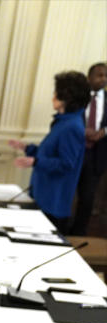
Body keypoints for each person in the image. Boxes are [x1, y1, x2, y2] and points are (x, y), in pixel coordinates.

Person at [9, 71, 90, 235]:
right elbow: (51, 153)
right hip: (43, 195)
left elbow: (66, 164)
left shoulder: (72, 126)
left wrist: (35, 162)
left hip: (53, 203)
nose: (53, 96)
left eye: (57, 92)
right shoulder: (63, 121)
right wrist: (27, 148)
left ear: (68, 98)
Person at [71, 62, 107, 235]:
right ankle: (61, 229)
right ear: (89, 77)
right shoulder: (77, 97)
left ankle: (79, 233)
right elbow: (67, 116)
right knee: (68, 192)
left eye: (106, 76)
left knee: (88, 197)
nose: (103, 79)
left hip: (96, 155)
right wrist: (81, 130)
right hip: (74, 151)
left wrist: (103, 132)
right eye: (99, 75)